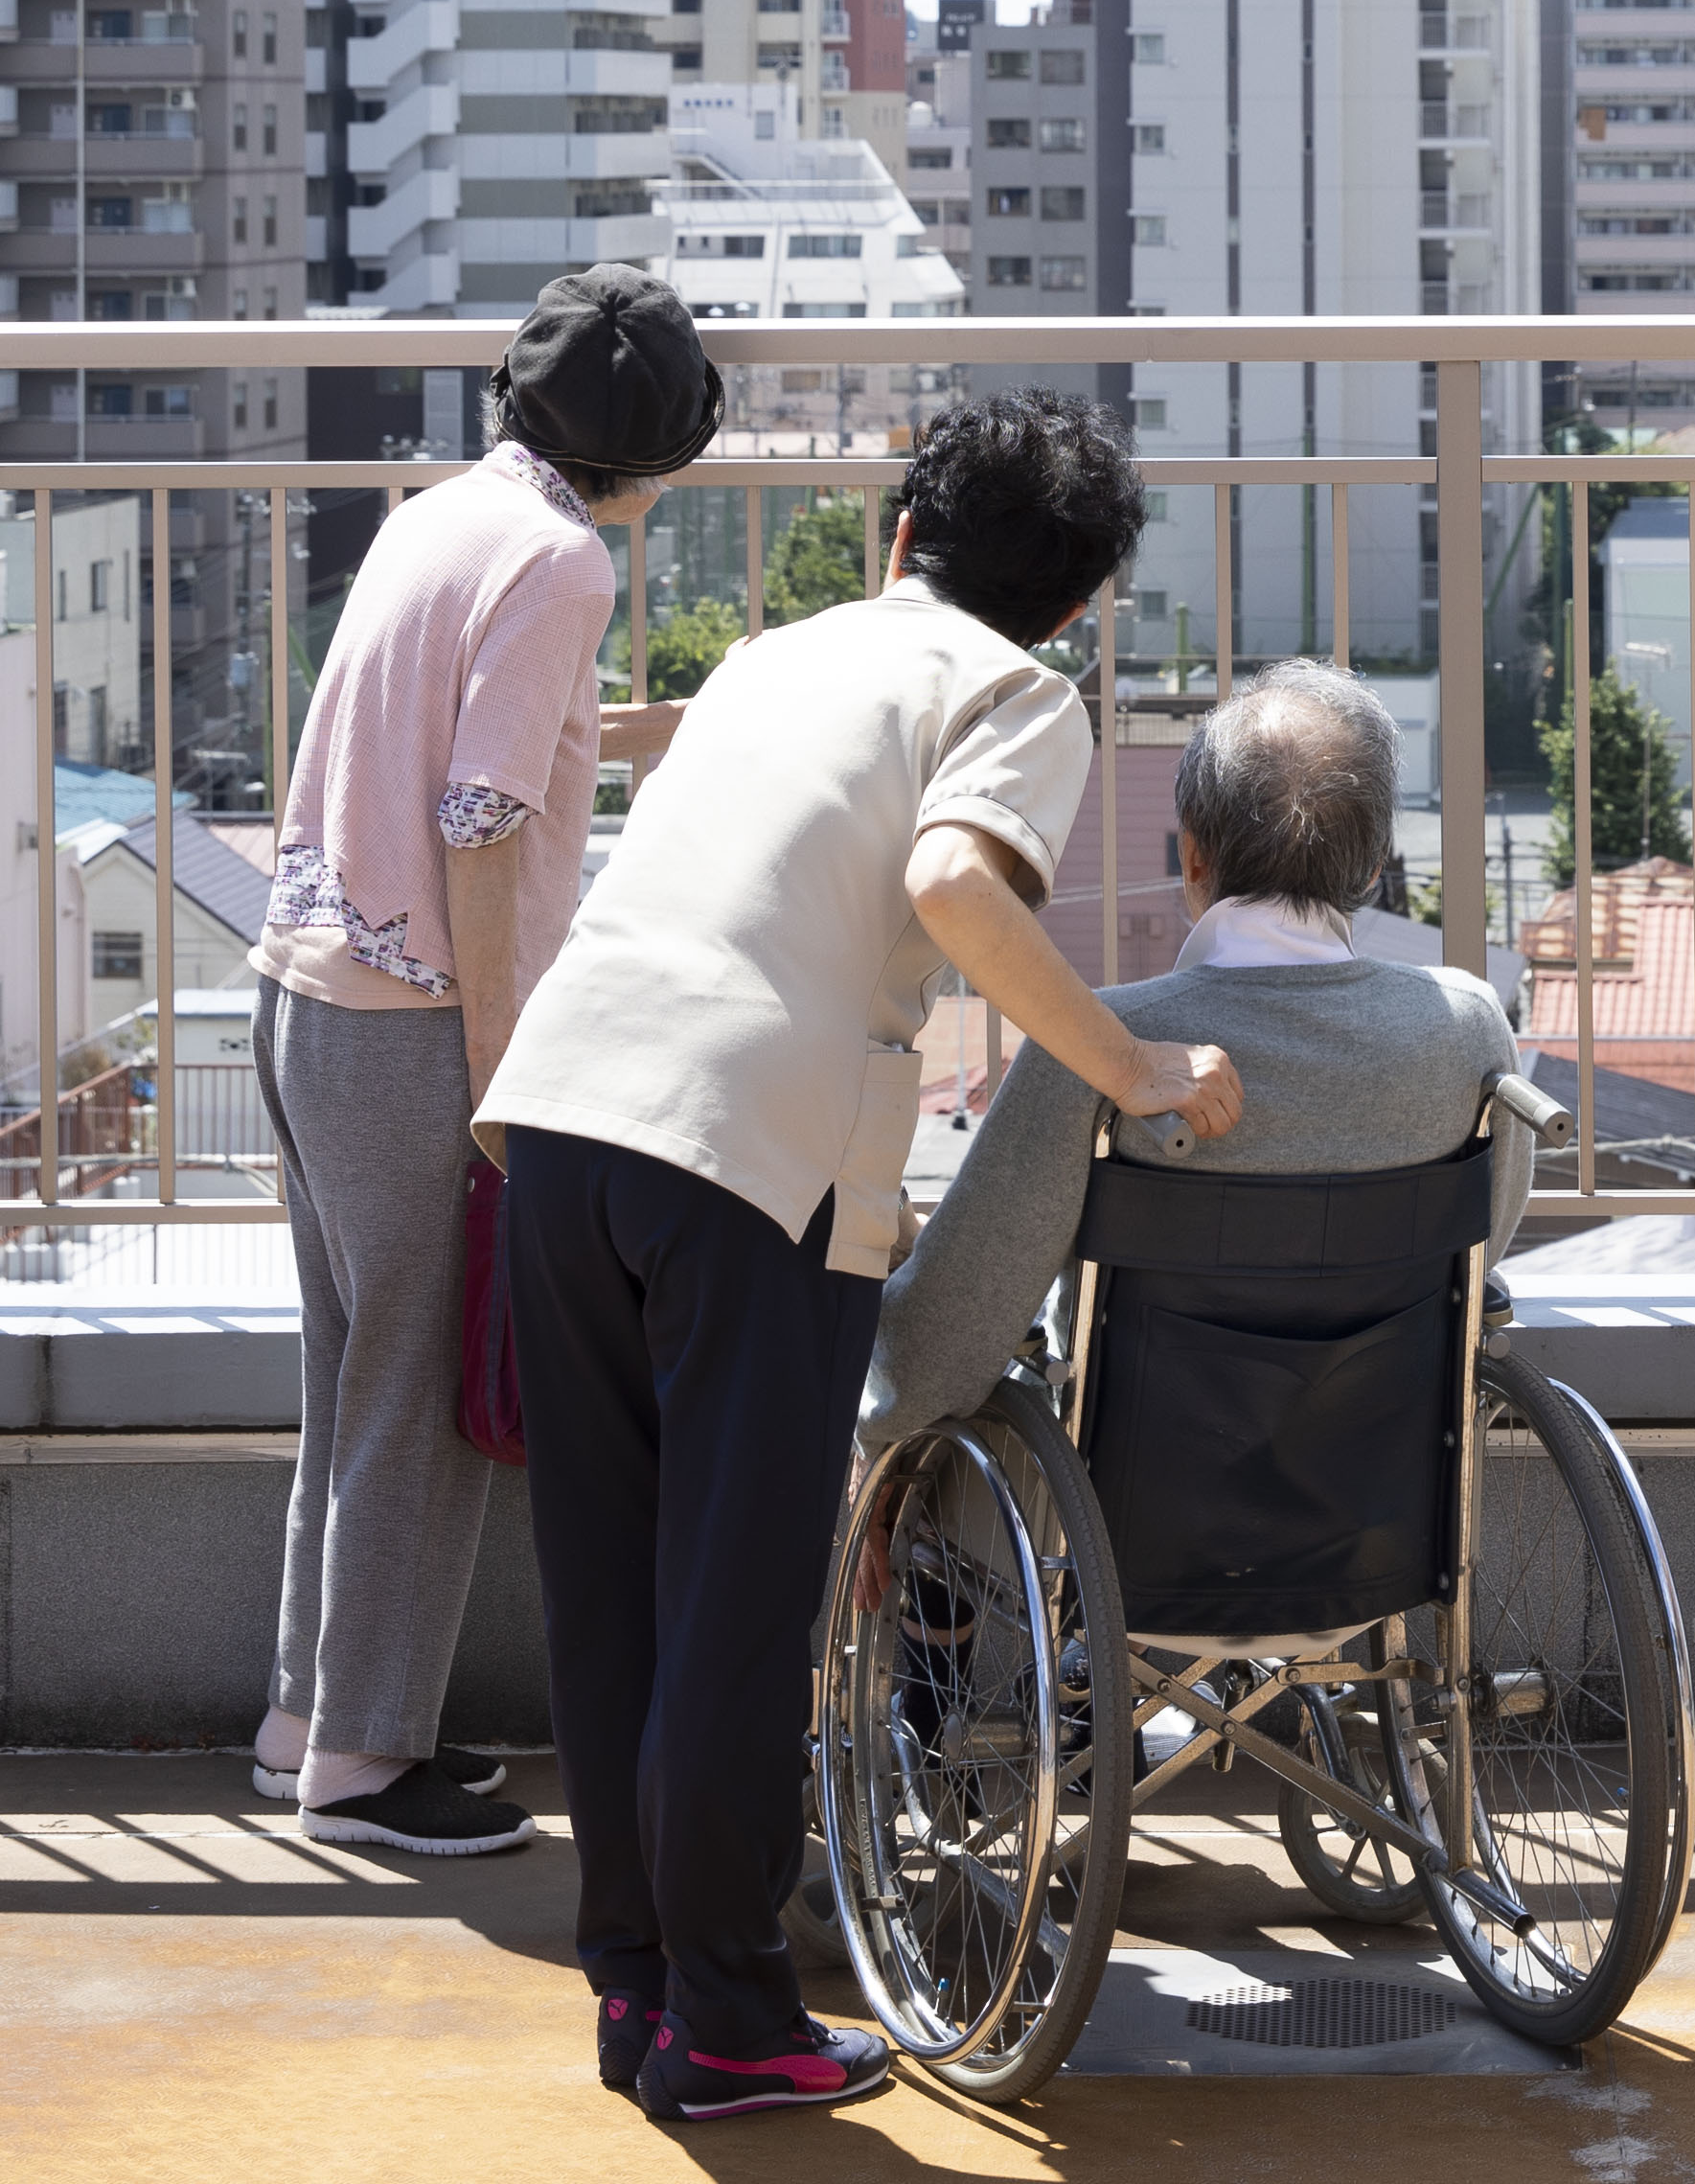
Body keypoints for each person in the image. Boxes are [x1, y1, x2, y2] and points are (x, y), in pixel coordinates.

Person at [478, 392, 1201, 2126]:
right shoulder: (1020, 692)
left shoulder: (775, 653)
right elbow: (957, 884)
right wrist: (1137, 1066)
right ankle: (731, 2027)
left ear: (899, 537)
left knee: (610, 1595)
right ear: (1075, 609)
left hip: (562, 1124)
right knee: (734, 1611)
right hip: (749, 1165)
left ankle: (643, 1989)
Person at [241, 260, 714, 1858]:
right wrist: (517, 1082)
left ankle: (303, 1719)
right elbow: (489, 823)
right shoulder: (567, 563)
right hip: (421, 1030)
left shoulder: (446, 516)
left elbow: (493, 745)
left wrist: (658, 730)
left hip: (304, 994)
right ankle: (367, 1772)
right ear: (660, 443)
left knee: (349, 1384)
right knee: (426, 1405)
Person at [865, 660, 1548, 1450]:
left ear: (1193, 858)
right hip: (1379, 1482)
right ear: (1371, 867)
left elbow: (946, 1341)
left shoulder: (1103, 1046)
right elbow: (1476, 1252)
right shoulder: (1466, 1027)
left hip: (1132, 1501)